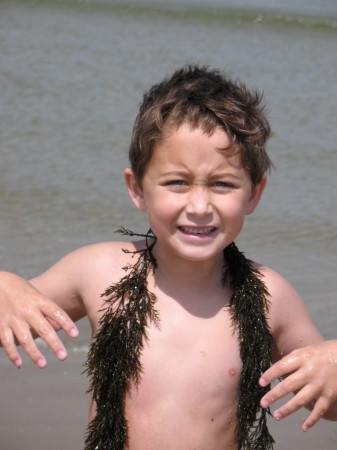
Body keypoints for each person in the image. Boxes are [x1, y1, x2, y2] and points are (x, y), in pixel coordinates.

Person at [0, 65, 337, 449]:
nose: (198, 206)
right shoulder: (97, 272)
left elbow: (326, 404)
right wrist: (6, 285)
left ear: (254, 194)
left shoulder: (270, 298)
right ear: (138, 188)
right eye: (177, 182)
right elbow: (14, 313)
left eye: (222, 184)